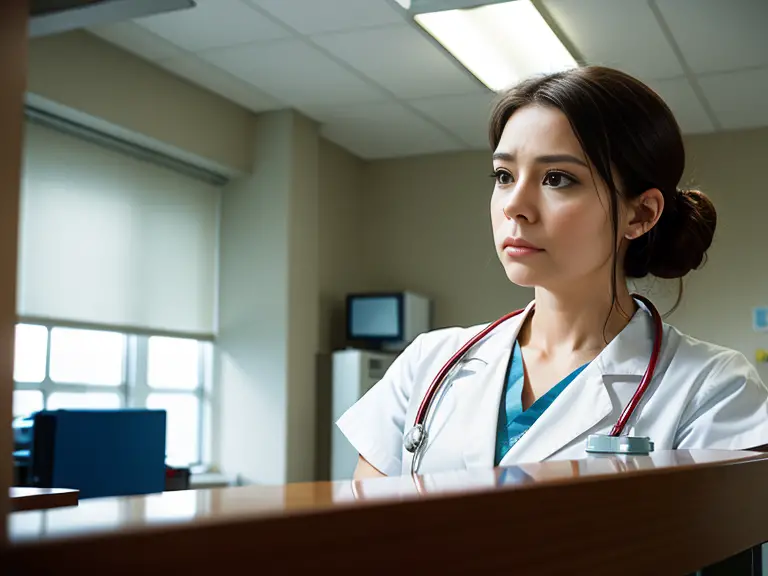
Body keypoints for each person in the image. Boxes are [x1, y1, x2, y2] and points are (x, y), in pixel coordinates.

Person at [336, 66, 768, 480]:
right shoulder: (427, 364)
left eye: (557, 178)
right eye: (504, 175)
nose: (514, 206)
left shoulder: (712, 388)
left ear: (641, 213)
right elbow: (364, 539)